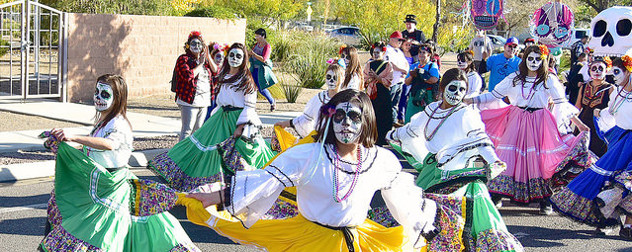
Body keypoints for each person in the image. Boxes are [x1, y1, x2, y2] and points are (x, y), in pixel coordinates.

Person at [180, 90, 468, 251]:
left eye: (354, 117)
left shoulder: (381, 161)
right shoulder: (307, 156)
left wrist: (421, 224)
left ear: (366, 122)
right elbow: (264, 182)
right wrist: (215, 197)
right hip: (309, 241)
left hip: (358, 241)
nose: (345, 123)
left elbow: (402, 203)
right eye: (339, 115)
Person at [40, 74, 198, 251]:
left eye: (105, 94)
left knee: (103, 234)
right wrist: (63, 144)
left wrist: (74, 137)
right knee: (61, 201)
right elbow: (93, 150)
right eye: (97, 92)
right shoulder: (102, 121)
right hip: (99, 182)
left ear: (118, 98)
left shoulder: (119, 123)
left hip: (112, 186)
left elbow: (109, 144)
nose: (98, 98)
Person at [387, 68, 524, 251]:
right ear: (442, 89)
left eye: (462, 90)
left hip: (459, 178)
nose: (457, 94)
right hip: (432, 173)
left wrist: (492, 161)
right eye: (453, 88)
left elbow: (480, 140)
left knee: (459, 223)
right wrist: (392, 134)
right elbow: (412, 130)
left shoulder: (466, 114)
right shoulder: (431, 109)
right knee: (424, 219)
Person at [465, 45, 591, 214]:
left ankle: (544, 199)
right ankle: (497, 195)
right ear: (524, 59)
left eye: (537, 59)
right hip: (516, 118)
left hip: (540, 121)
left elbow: (561, 103)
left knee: (539, 160)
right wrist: (470, 101)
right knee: (508, 156)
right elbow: (494, 95)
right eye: (530, 58)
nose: (533, 62)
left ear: (543, 61)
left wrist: (579, 124)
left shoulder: (549, 79)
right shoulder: (515, 78)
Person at [149, 43, 275, 192]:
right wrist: (208, 56)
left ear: (244, 59)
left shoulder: (246, 80)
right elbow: (221, 96)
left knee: (241, 154)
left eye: (238, 56)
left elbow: (249, 107)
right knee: (202, 148)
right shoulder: (224, 75)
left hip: (239, 120)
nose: (234, 59)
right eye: (232, 55)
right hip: (221, 118)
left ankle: (240, 189)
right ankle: (209, 187)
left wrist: (242, 126)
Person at [550, 55, 632, 238]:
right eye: (613, 72)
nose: (614, 76)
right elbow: (610, 114)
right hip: (619, 141)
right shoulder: (618, 94)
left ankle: (628, 225)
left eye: (617, 72)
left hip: (629, 143)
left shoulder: (615, 91)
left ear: (629, 72)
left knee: (626, 183)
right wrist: (599, 115)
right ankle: (608, 219)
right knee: (607, 181)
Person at [274, 63, 345, 138]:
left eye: (335, 78)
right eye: (328, 77)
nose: (331, 81)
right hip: (320, 139)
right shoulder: (319, 98)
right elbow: (305, 119)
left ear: (343, 79)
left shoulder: (345, 99)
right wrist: (285, 123)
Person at [174, 31, 216, 141]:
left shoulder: (205, 61)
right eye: (193, 43)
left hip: (204, 101)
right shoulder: (183, 59)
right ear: (188, 46)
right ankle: (181, 155)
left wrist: (207, 57)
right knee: (187, 129)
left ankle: (192, 155)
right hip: (189, 100)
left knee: (198, 130)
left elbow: (216, 72)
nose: (196, 46)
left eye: (199, 44)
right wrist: (200, 64)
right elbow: (187, 76)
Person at [574, 57, 614, 157]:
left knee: (597, 157)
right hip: (583, 125)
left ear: (606, 71)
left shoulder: (610, 88)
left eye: (601, 68)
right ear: (589, 71)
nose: (597, 71)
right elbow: (577, 107)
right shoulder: (584, 86)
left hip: (599, 127)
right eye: (594, 68)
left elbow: (613, 111)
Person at [364, 41, 394, 145]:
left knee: (383, 115)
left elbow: (389, 80)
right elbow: (365, 78)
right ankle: (371, 137)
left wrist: (378, 78)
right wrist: (370, 79)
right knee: (372, 115)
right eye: (374, 52)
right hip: (372, 94)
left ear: (383, 53)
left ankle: (382, 137)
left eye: (378, 52)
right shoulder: (369, 64)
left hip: (383, 93)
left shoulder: (387, 65)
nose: (376, 54)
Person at [404, 44, 440, 123]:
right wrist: (412, 76)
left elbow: (434, 79)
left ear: (429, 54)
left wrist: (422, 75)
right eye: (420, 52)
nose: (421, 54)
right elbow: (406, 82)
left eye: (423, 52)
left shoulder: (432, 66)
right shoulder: (414, 66)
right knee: (410, 120)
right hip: (414, 95)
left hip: (427, 96)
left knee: (426, 121)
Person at [384, 31, 410, 126]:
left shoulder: (399, 51)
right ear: (392, 39)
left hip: (400, 81)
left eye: (401, 40)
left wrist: (405, 71)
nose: (400, 42)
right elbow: (389, 64)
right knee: (388, 103)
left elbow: (406, 64)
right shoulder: (387, 50)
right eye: (398, 40)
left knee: (395, 103)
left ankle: (393, 121)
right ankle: (386, 122)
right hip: (391, 82)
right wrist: (401, 70)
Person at [249, 28, 278, 112]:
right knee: (252, 86)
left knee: (261, 88)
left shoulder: (267, 46)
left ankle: (272, 102)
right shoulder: (256, 44)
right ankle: (251, 105)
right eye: (256, 36)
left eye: (257, 36)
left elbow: (264, 59)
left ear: (263, 36)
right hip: (253, 68)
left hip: (261, 70)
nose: (256, 37)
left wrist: (254, 54)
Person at [397, 38, 419, 125]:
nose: (408, 46)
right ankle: (400, 117)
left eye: (410, 45)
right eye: (406, 44)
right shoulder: (399, 54)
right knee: (402, 98)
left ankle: (406, 116)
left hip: (410, 78)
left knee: (407, 98)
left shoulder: (414, 55)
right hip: (401, 78)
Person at [204, 42, 228, 122]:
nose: (220, 59)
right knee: (208, 116)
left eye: (222, 57)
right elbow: (216, 70)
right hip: (211, 96)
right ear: (213, 57)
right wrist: (208, 56)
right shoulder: (211, 67)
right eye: (218, 56)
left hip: (220, 97)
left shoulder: (225, 68)